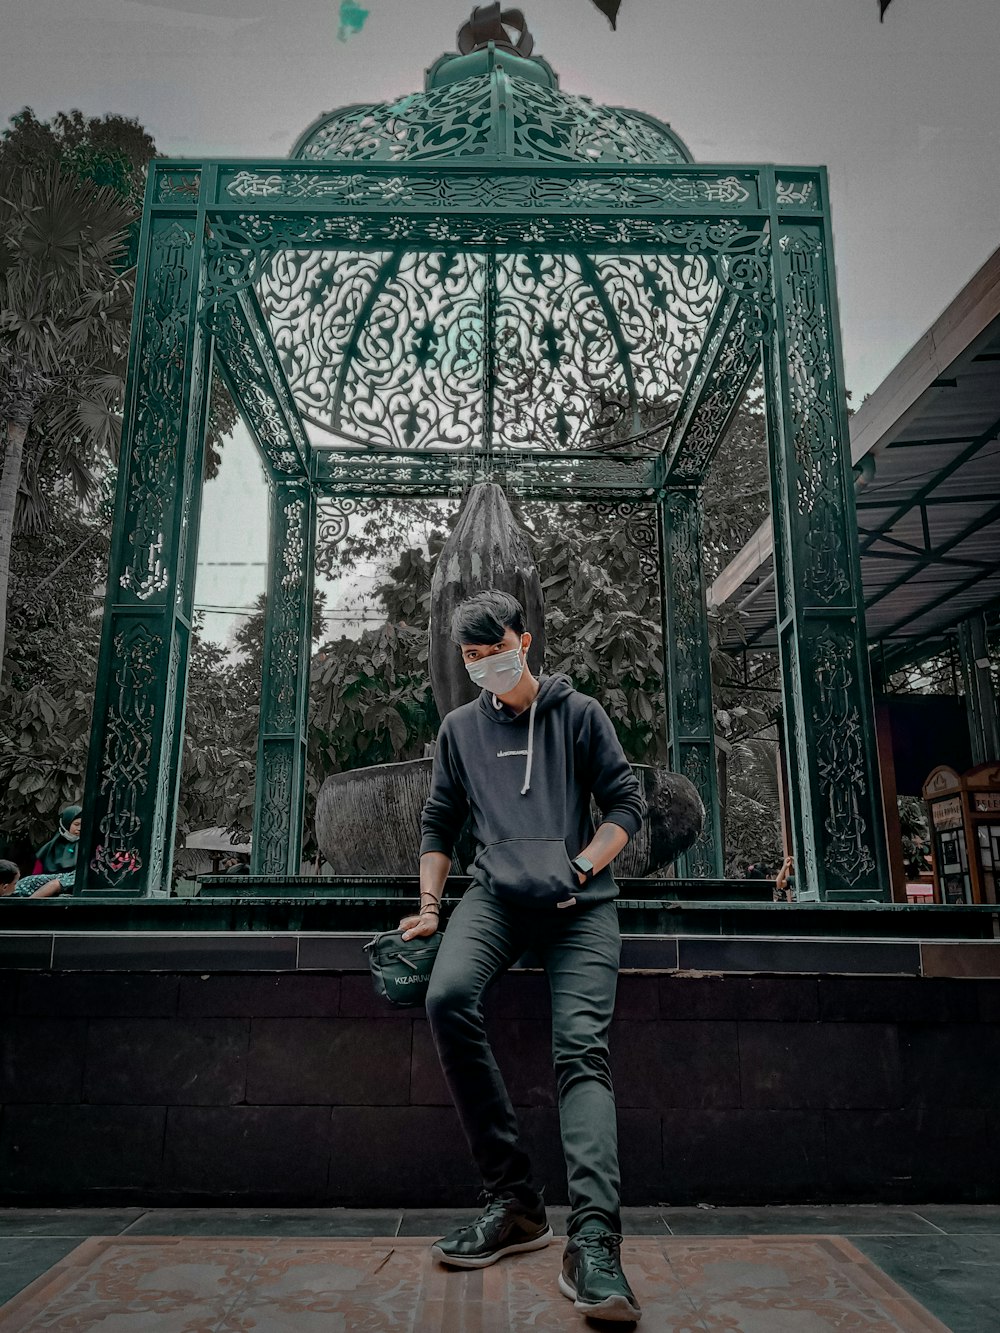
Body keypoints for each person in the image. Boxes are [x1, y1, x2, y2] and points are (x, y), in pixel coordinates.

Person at [402, 590, 646, 1324]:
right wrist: (429, 906)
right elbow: (440, 821)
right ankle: (513, 1202)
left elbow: (626, 804)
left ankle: (596, 1241)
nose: (483, 666)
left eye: (493, 650)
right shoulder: (457, 730)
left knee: (580, 1048)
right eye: (471, 657)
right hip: (495, 899)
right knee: (446, 997)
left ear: (525, 639)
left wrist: (580, 866)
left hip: (581, 906)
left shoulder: (580, 714)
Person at [32, 804, 82, 876]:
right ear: (66, 824)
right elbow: (35, 876)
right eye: (76, 824)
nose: (80, 828)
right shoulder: (48, 850)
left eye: (83, 824)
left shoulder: (86, 847)